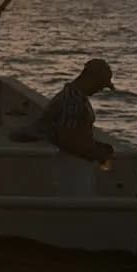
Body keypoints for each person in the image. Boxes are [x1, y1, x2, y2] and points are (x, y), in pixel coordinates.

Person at [12, 59, 116, 195]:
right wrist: (97, 153)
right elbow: (67, 140)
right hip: (72, 168)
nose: (100, 89)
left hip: (74, 165)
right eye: (100, 84)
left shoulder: (75, 97)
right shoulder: (73, 101)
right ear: (89, 78)